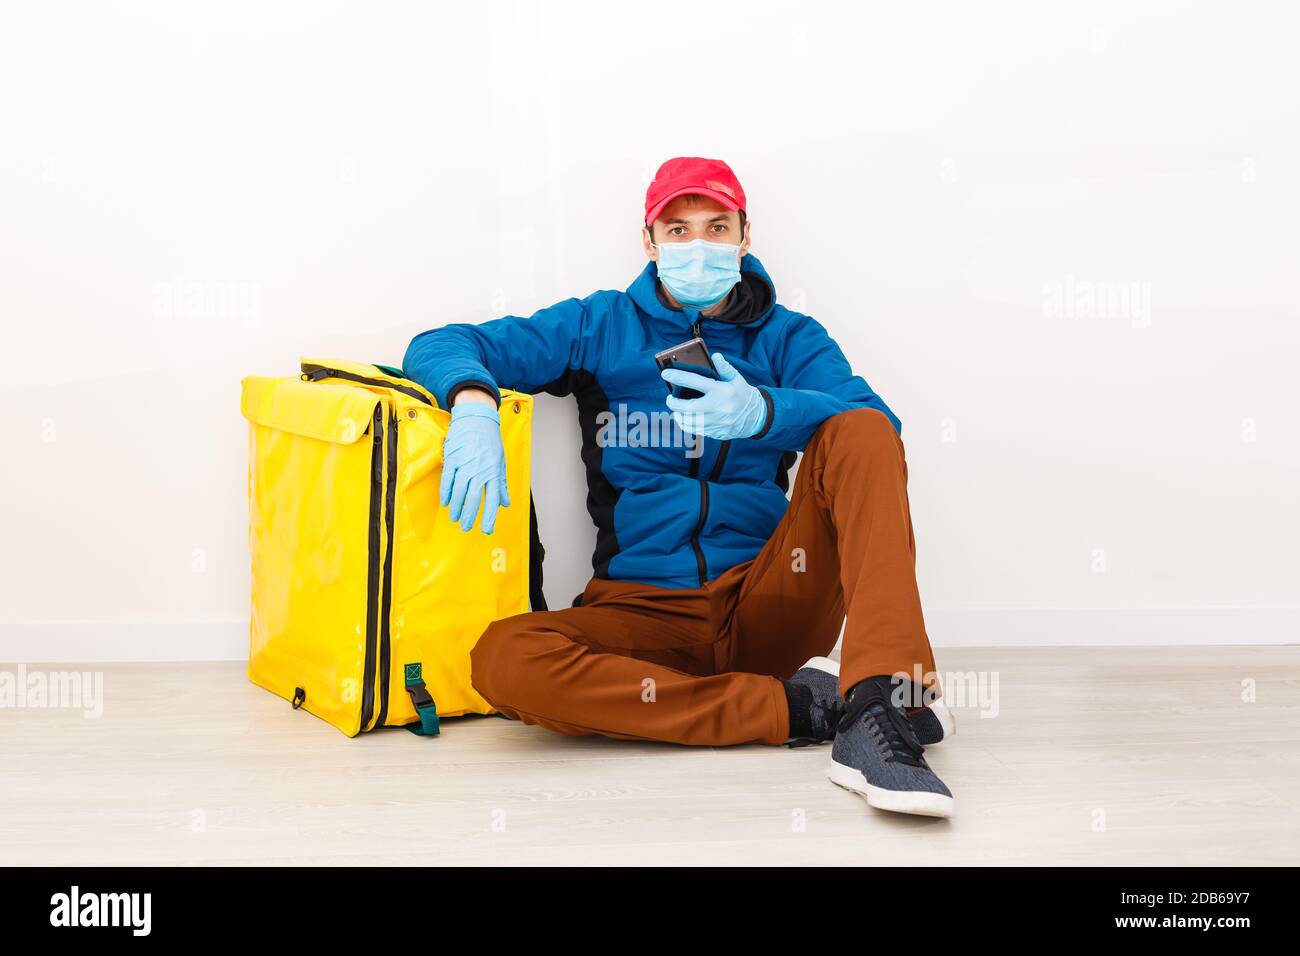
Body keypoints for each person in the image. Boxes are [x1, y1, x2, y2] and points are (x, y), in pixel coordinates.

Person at [403, 157, 956, 817]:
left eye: (716, 227)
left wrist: (766, 413)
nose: (698, 245)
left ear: (745, 237)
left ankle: (883, 703)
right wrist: (471, 402)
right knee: (504, 659)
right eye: (678, 228)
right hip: (641, 612)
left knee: (858, 429)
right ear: (649, 240)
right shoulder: (602, 325)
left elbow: (877, 428)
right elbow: (443, 342)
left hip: (768, 599)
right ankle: (798, 708)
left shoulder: (787, 337)